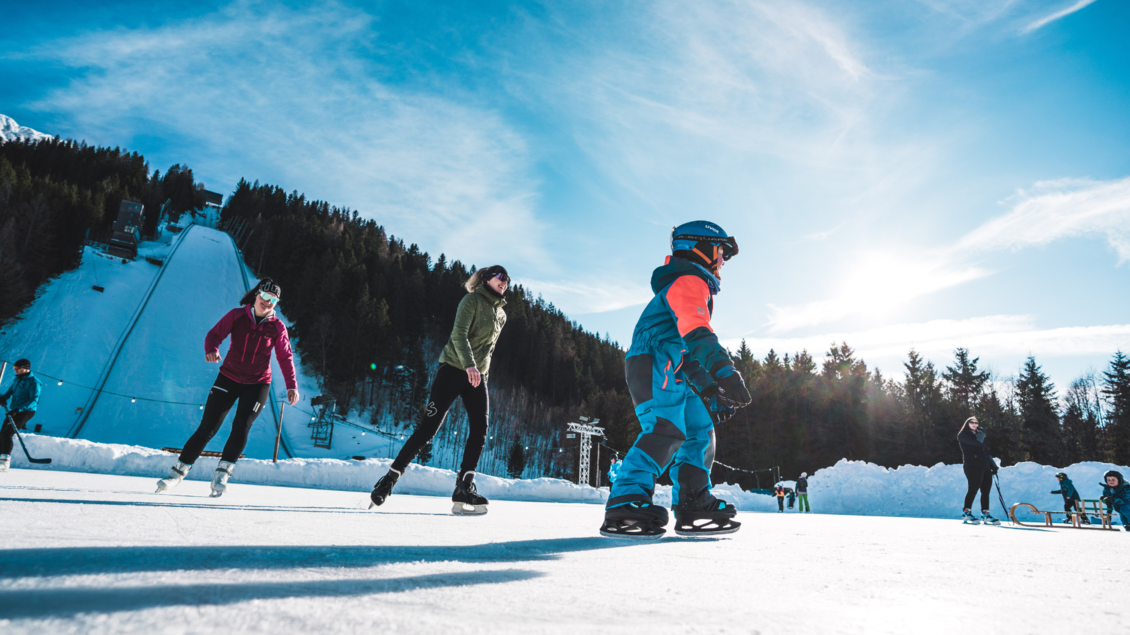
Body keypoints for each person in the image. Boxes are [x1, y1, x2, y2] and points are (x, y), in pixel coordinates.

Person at [600, 221, 751, 539]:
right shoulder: (689, 280)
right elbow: (699, 335)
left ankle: (693, 501)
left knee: (700, 430)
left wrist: (709, 389)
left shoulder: (695, 285)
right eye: (721, 251)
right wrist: (725, 372)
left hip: (675, 366)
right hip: (651, 362)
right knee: (665, 430)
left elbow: (687, 350)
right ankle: (626, 498)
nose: (723, 260)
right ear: (702, 247)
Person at [369, 265, 510, 515]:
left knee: (480, 428)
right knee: (428, 429)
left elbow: (488, 349)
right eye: (500, 277)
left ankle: (464, 487)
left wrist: (482, 374)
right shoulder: (471, 300)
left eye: (508, 279)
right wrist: (469, 365)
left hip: (477, 377)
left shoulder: (501, 315)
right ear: (487, 280)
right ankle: (389, 479)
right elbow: (459, 335)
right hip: (454, 370)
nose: (505, 281)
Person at [156, 279, 299, 497]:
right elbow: (214, 334)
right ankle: (177, 473)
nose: (267, 302)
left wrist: (292, 385)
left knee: (241, 426)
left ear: (276, 304)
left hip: (258, 383)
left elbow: (285, 356)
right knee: (208, 427)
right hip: (228, 378)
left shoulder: (277, 327)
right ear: (256, 295)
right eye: (265, 296)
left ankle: (222, 475)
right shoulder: (236, 316)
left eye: (273, 300)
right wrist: (211, 349)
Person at [956, 416, 1000, 525]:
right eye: (972, 422)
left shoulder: (979, 435)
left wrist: (993, 465)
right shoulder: (963, 435)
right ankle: (966, 513)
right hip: (972, 466)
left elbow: (985, 452)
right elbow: (977, 444)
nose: (974, 424)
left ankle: (986, 514)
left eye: (976, 422)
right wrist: (981, 435)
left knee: (986, 491)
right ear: (967, 424)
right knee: (973, 489)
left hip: (984, 466)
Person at [0, 359, 43, 472]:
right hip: (14, 410)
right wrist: (4, 397)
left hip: (26, 411)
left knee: (7, 433)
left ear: (26, 368)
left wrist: (18, 409)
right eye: (15, 368)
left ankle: (4, 461)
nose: (15, 370)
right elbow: (10, 391)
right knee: (2, 434)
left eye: (18, 368)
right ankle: (1, 457)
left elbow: (33, 400)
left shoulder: (34, 382)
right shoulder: (17, 379)